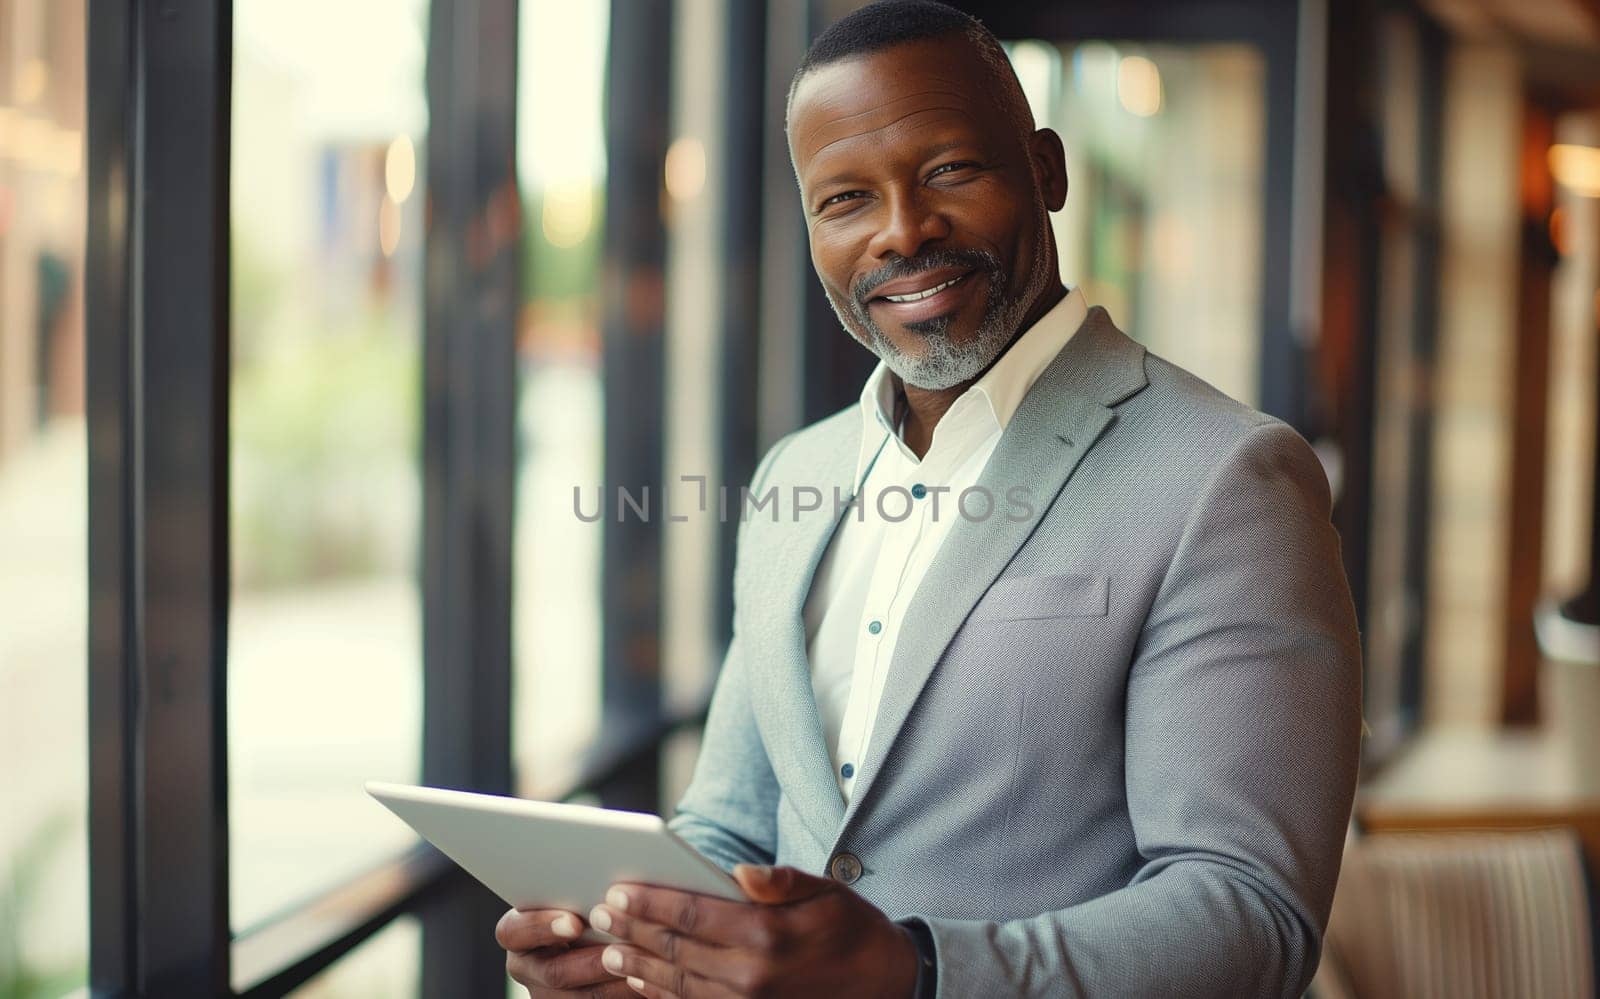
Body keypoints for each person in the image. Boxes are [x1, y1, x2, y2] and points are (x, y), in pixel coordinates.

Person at [498, 1, 1362, 995]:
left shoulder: (1229, 476)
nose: (903, 232)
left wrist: (916, 971)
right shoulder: (799, 474)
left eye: (949, 171)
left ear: (1046, 170)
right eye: (845, 199)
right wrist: (627, 937)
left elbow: (1251, 918)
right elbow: (732, 820)